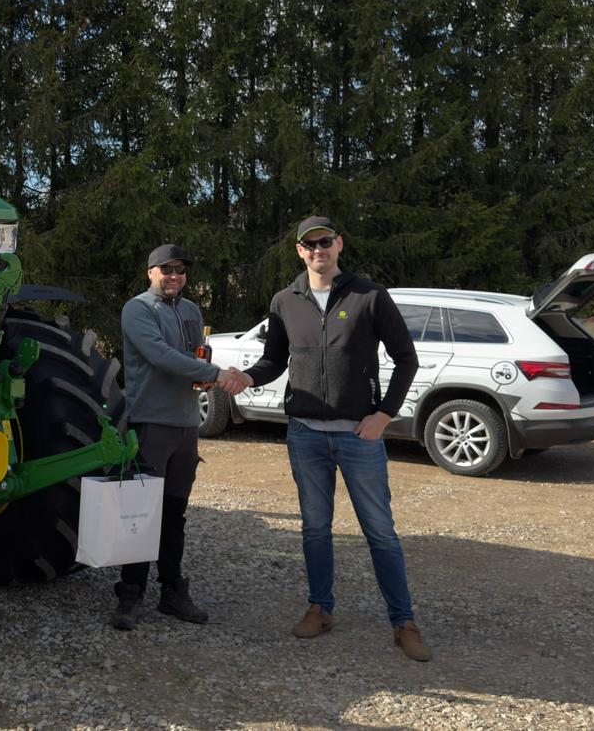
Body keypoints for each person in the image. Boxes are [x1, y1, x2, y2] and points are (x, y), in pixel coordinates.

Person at [232, 217, 432, 661]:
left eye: (326, 242)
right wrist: (245, 377)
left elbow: (407, 359)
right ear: (300, 251)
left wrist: (383, 415)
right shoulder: (286, 300)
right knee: (316, 530)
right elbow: (274, 360)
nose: (318, 249)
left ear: (339, 245)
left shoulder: (369, 296)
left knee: (380, 532)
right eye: (310, 244)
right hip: (305, 435)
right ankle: (320, 608)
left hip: (359, 437)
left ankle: (404, 621)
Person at [111, 244, 249, 631]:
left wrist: (205, 371)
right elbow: (159, 355)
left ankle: (172, 591)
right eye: (166, 269)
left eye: (181, 270)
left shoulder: (190, 311)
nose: (174, 276)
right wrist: (217, 373)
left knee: (174, 513)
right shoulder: (137, 309)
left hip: (186, 426)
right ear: (150, 272)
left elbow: (193, 357)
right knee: (142, 512)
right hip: (150, 424)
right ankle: (130, 593)